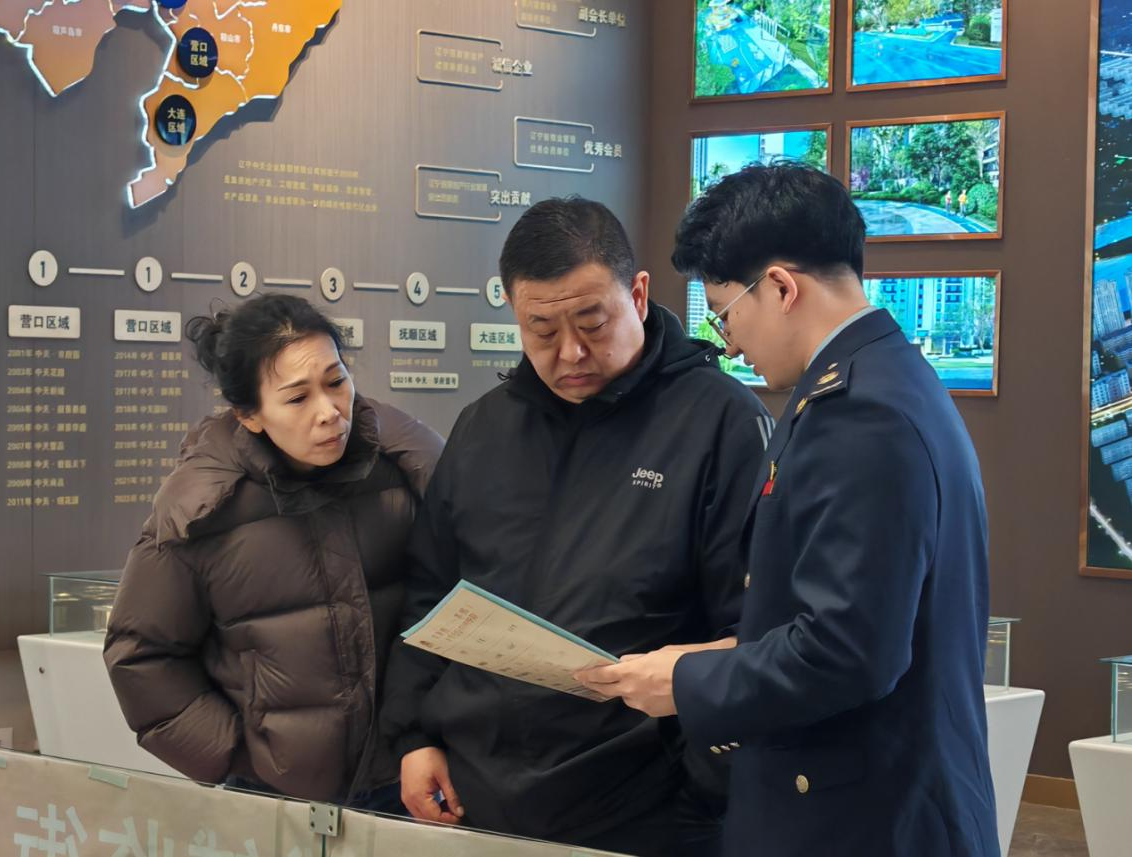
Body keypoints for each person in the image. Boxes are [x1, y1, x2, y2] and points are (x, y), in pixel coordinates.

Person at [576, 164, 999, 857]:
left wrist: (684, 681)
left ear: (780, 287)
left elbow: (847, 653)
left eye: (725, 313)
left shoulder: (860, 414)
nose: (729, 342)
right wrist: (722, 653)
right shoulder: (883, 379)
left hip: (861, 819)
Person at [381, 197, 773, 856]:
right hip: (478, 799)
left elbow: (752, 630)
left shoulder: (721, 423)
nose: (570, 353)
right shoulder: (484, 427)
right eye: (540, 330)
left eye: (593, 322)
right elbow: (430, 594)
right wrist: (414, 737)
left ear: (638, 295)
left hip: (647, 809)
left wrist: (701, 787)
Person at [104, 293, 444, 811]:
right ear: (250, 415)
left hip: (409, 778)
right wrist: (243, 756)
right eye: (297, 398)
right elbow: (142, 657)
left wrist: (435, 733)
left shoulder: (403, 475)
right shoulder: (201, 511)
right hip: (276, 800)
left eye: (336, 381)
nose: (329, 412)